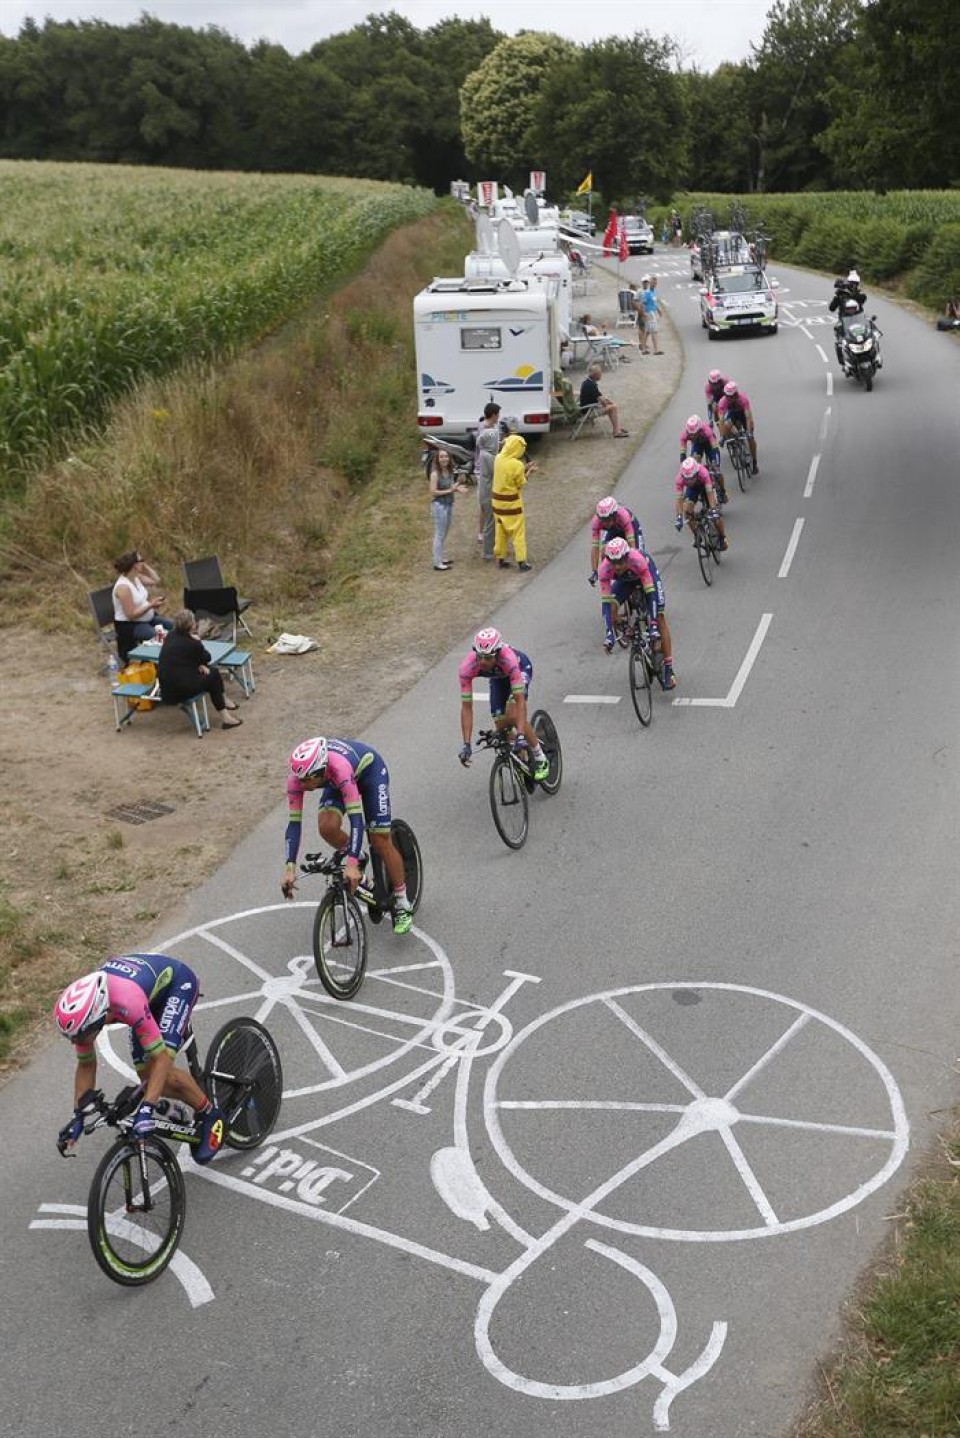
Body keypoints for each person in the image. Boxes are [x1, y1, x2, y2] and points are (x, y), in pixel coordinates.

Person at [53, 955, 225, 1164]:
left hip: (176, 985)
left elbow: (162, 1060)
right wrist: (78, 1116)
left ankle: (210, 1114)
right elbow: (86, 1064)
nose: (76, 1042)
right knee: (146, 1076)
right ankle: (174, 1106)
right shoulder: (85, 1019)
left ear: (98, 1015)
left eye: (80, 1036)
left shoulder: (127, 1002)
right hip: (145, 994)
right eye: (72, 1038)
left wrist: (146, 1108)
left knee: (161, 1072)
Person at [281, 736, 413, 934]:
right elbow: (293, 824)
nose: (301, 785)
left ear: (319, 771)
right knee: (327, 827)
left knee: (379, 839)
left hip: (370, 774)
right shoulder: (297, 779)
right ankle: (358, 855)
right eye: (299, 779)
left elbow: (356, 819)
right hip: (336, 783)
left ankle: (402, 902)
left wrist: (350, 865)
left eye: (306, 780)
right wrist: (289, 868)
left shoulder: (339, 768)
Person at [457, 627, 549, 780]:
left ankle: (540, 757)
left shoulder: (509, 659)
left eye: (488, 657)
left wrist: (520, 735)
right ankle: (522, 757)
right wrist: (466, 744)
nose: (483, 662)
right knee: (501, 725)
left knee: (512, 714)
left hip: (519, 670)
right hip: (498, 678)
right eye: (479, 656)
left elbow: (520, 702)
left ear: (498, 653)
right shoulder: (467, 667)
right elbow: (467, 708)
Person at [598, 537, 676, 690]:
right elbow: (605, 604)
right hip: (626, 582)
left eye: (621, 562)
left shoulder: (637, 559)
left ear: (627, 557)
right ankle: (632, 633)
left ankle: (668, 667)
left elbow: (651, 593)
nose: (618, 566)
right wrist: (609, 634)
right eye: (614, 563)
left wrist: (653, 626)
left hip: (645, 576)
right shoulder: (604, 569)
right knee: (612, 609)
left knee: (659, 618)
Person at [158, 608, 242, 729]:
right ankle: (226, 717)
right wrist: (198, 641)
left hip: (166, 690)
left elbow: (182, 661)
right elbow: (207, 657)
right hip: (180, 692)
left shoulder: (170, 636)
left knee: (210, 671)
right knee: (213, 675)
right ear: (191, 625)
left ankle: (224, 701)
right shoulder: (193, 643)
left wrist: (199, 664)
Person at [111, 549, 172, 661]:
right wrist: (150, 605)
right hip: (129, 625)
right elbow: (131, 615)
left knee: (173, 626)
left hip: (147, 618)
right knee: (158, 637)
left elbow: (156, 580)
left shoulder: (136, 577)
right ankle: (160, 663)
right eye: (141, 560)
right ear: (134, 565)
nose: (143, 563)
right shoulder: (123, 587)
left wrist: (144, 565)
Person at [492, 433, 537, 571]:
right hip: (512, 505)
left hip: (497, 503)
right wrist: (528, 471)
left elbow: (508, 473)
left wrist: (523, 468)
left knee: (500, 531)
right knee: (518, 532)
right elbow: (520, 483)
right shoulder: (517, 464)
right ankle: (521, 561)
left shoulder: (498, 458)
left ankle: (500, 558)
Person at [674, 456, 729, 550]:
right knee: (687, 511)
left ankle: (722, 537)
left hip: (705, 486)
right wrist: (679, 517)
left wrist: (713, 509)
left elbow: (710, 493)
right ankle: (697, 534)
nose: (689, 481)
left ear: (696, 473)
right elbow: (679, 499)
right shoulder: (679, 479)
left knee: (716, 516)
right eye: (687, 479)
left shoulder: (703, 472)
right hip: (693, 490)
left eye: (691, 478)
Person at [428, 447, 468, 572]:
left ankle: (441, 557)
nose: (444, 459)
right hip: (439, 506)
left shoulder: (449, 472)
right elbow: (433, 492)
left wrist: (456, 488)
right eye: (441, 457)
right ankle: (437, 563)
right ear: (437, 459)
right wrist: (450, 490)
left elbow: (450, 487)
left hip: (449, 504)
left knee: (444, 533)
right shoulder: (435, 474)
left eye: (446, 456)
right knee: (439, 533)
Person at [589, 495, 645, 584]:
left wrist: (632, 560)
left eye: (608, 519)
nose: (605, 523)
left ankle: (641, 581)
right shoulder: (596, 522)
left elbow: (632, 545)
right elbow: (595, 547)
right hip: (613, 531)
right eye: (603, 520)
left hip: (630, 528)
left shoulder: (623, 516)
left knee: (638, 556)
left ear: (614, 515)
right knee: (604, 550)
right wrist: (594, 571)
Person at [473, 401, 501, 561]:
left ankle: (486, 536)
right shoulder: (486, 430)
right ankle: (482, 535)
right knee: (485, 506)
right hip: (482, 471)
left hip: (484, 468)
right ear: (493, 415)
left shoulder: (489, 429)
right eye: (498, 414)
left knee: (487, 507)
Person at [716, 379, 759, 475]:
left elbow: (748, 417)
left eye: (733, 396)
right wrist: (723, 437)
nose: (731, 399)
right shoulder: (722, 402)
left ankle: (754, 462)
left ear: (736, 394)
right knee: (726, 425)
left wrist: (749, 432)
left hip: (743, 415)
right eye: (728, 397)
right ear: (725, 396)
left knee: (751, 438)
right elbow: (721, 421)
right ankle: (734, 440)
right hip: (732, 415)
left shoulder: (743, 399)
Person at [681, 413, 725, 505]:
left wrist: (716, 464)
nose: (692, 436)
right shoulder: (685, 434)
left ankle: (723, 491)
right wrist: (683, 463)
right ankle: (702, 482)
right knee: (694, 460)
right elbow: (683, 452)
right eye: (690, 435)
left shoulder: (706, 430)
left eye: (695, 434)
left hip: (709, 444)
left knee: (717, 471)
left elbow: (715, 447)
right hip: (697, 445)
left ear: (699, 429)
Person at [579, 363, 628, 438]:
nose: (601, 375)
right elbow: (603, 401)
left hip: (588, 408)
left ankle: (617, 428)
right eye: (600, 373)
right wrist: (609, 403)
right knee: (613, 408)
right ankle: (616, 431)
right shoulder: (591, 385)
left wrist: (608, 402)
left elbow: (600, 396)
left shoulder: (587, 382)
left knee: (611, 407)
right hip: (589, 411)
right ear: (596, 375)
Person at [642, 277, 664, 354]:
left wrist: (658, 310)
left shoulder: (653, 292)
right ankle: (656, 350)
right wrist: (644, 313)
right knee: (654, 331)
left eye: (655, 283)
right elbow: (643, 303)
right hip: (649, 313)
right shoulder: (647, 293)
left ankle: (644, 349)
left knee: (647, 331)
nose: (654, 284)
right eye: (653, 283)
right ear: (649, 283)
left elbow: (654, 302)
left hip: (653, 312)